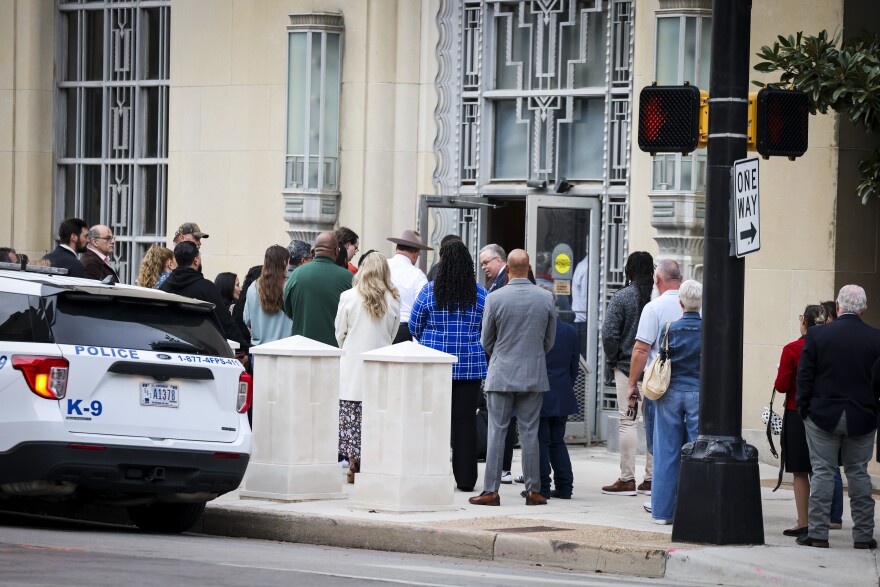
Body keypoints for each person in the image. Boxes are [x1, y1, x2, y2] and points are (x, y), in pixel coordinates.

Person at [796, 284, 880, 549]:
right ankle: (864, 536)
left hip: (822, 414)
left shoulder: (818, 336)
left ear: (838, 305)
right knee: (859, 474)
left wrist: (804, 408)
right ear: (864, 308)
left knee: (822, 472)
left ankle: (818, 534)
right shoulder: (876, 338)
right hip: (862, 415)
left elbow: (805, 376)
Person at [469, 249, 556, 507]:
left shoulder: (494, 298)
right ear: (529, 268)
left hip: (502, 373)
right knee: (530, 432)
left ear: (507, 268)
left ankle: (491, 491)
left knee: (497, 431)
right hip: (533, 373)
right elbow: (549, 341)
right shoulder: (546, 298)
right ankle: (534, 490)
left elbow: (486, 340)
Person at [410, 241, 487, 492]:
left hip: (435, 365)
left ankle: (432, 474)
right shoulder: (480, 294)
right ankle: (466, 480)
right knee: (465, 423)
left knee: (433, 420)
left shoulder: (429, 291)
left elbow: (414, 325)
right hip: (469, 367)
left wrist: (430, 341)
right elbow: (487, 329)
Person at [335, 251, 400, 484]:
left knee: (352, 419)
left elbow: (339, 333)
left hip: (353, 367)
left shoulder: (348, 296)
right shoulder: (393, 299)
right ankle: (374, 462)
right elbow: (392, 335)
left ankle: (353, 463)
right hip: (379, 367)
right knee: (377, 417)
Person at [625, 259, 683, 501]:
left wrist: (631, 385)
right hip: (691, 384)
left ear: (657, 280)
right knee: (684, 443)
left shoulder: (654, 308)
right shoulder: (696, 305)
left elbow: (640, 350)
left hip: (659, 387)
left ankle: (662, 497)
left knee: (659, 444)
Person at [600, 251, 655, 496]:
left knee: (628, 421)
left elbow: (609, 333)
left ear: (629, 271)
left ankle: (627, 478)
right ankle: (652, 478)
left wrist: (614, 358)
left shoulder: (622, 297)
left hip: (626, 368)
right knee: (654, 424)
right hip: (656, 372)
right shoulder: (659, 297)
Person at [649, 279, 702, 525]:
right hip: (698, 392)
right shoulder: (707, 330)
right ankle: (694, 510)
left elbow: (661, 357)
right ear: (700, 303)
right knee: (698, 452)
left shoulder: (670, 328)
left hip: (670, 391)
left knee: (666, 451)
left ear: (680, 302)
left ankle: (662, 512)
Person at [775, 304, 827, 537]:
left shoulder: (792, 349)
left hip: (797, 412)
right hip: (825, 412)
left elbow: (782, 385)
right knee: (823, 470)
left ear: (804, 322)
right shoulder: (830, 348)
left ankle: (803, 521)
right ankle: (822, 521)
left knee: (800, 471)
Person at [159, 241, 248, 350]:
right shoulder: (206, 288)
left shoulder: (164, 287)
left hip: (169, 346)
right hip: (200, 349)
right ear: (196, 260)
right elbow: (225, 321)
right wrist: (244, 348)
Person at [538, 297, 580, 499]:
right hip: (562, 392)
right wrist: (565, 386)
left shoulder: (536, 329)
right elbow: (574, 366)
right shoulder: (569, 330)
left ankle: (542, 487)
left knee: (540, 441)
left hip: (539, 392)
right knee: (557, 441)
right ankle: (564, 487)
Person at [282, 231, 353, 346]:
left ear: (314, 251)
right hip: (333, 351)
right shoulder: (348, 278)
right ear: (336, 251)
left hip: (302, 348)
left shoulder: (297, 275)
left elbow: (288, 309)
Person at [820, 299, 845, 530]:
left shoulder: (829, 341)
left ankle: (833, 515)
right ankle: (834, 515)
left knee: (829, 466)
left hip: (833, 411)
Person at [386, 229, 431, 344]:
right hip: (404, 332)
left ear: (397, 248)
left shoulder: (381, 266)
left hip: (380, 328)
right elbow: (423, 308)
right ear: (416, 253)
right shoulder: (418, 275)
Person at [244, 247, 293, 348]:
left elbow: (247, 319)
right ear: (284, 262)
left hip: (259, 350)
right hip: (285, 348)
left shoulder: (253, 287)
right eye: (288, 262)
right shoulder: (288, 286)